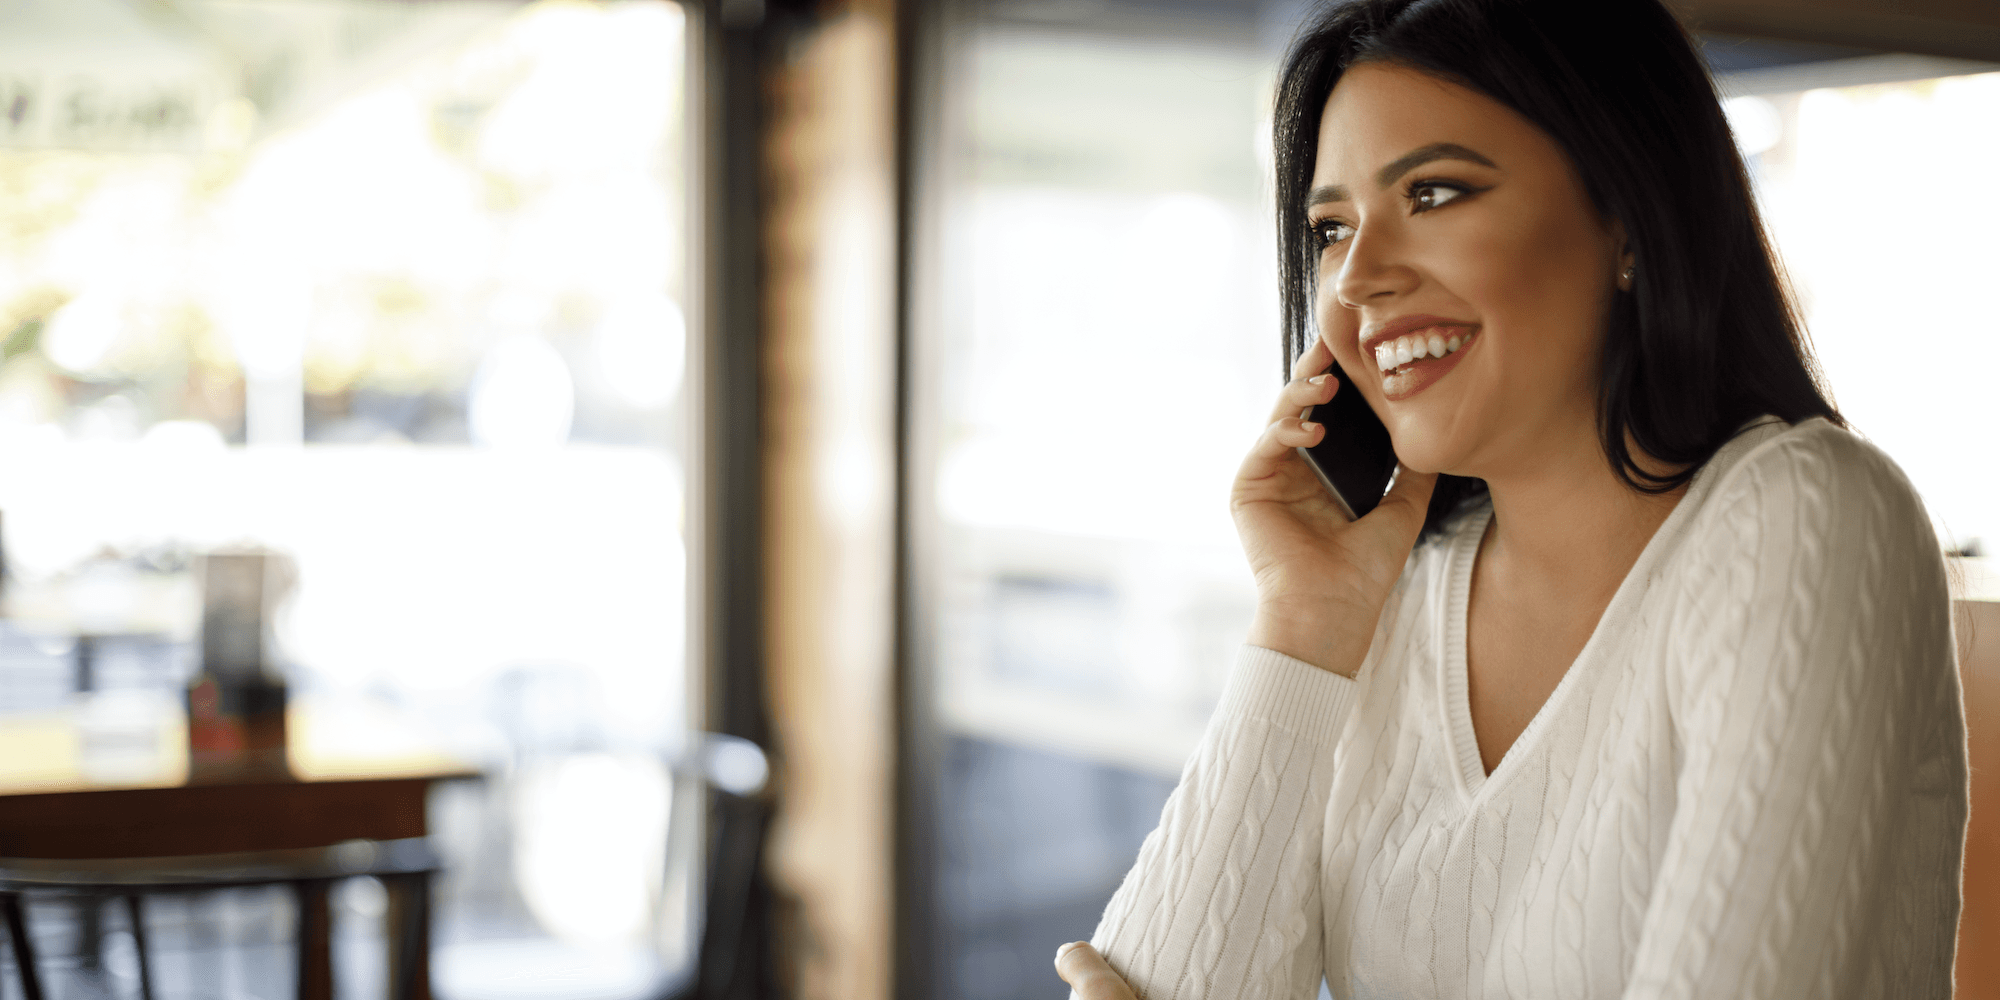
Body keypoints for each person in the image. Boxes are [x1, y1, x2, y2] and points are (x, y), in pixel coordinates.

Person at [1052, 0, 1968, 997]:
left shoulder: (1806, 518)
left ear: (1626, 213)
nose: (1356, 277)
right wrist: (1304, 621)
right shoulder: (1394, 598)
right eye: (1328, 227)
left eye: (1434, 192)